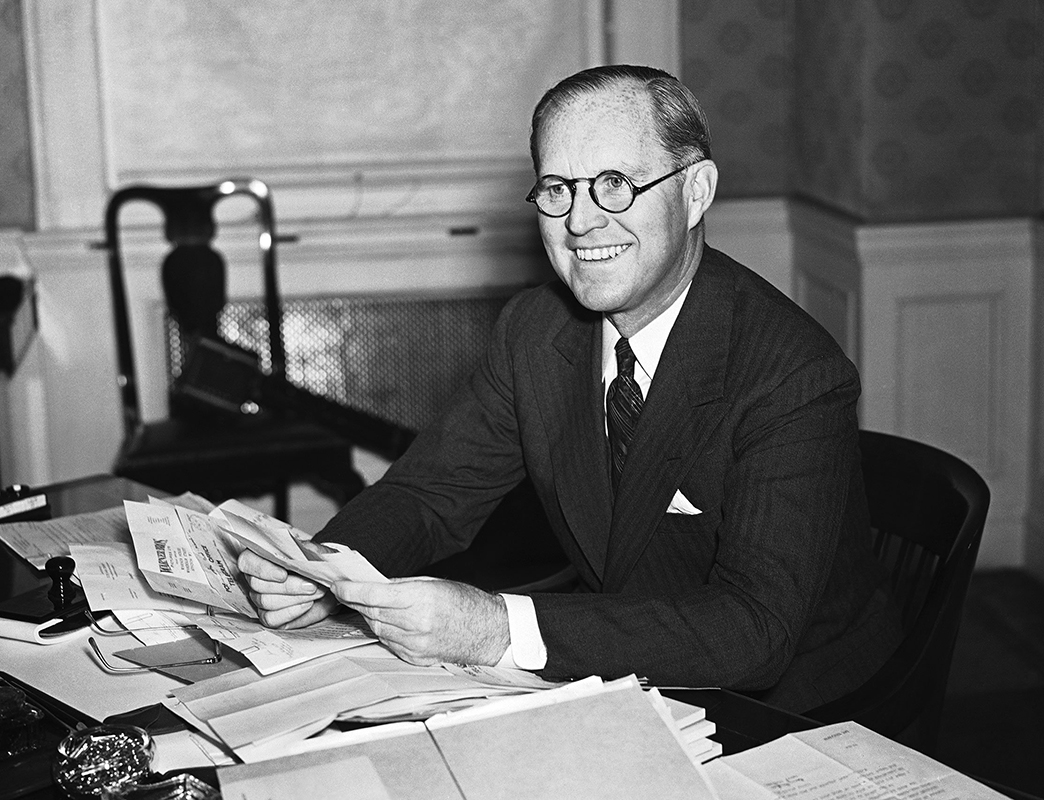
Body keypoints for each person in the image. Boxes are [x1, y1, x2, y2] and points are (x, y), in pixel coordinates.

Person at [239, 64, 902, 714]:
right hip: (614, 663)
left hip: (790, 705)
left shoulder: (791, 370)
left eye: (615, 183)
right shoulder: (536, 329)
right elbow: (430, 492)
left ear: (696, 191)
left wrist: (496, 628)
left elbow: (753, 631)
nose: (580, 222)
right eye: (557, 189)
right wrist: (324, 571)